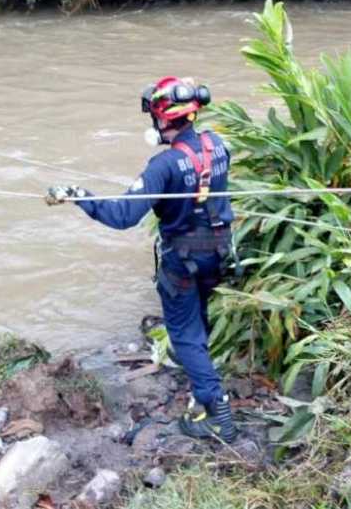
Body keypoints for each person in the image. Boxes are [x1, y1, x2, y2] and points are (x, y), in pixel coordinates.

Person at [46, 76, 237, 443]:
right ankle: (201, 369)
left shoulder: (164, 165)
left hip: (183, 259)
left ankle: (218, 414)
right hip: (219, 250)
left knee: (183, 334)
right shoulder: (219, 145)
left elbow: (122, 216)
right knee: (197, 317)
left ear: (163, 120)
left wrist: (79, 195)